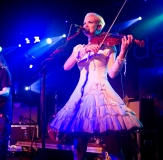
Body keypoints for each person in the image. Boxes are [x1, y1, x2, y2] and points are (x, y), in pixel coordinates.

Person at [50, 12, 143, 160]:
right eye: (84, 22)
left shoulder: (109, 47)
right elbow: (66, 67)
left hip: (101, 92)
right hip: (81, 94)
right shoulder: (79, 47)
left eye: (90, 22)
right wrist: (83, 50)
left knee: (111, 144)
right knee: (79, 145)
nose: (85, 25)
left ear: (99, 27)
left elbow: (112, 73)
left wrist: (123, 52)